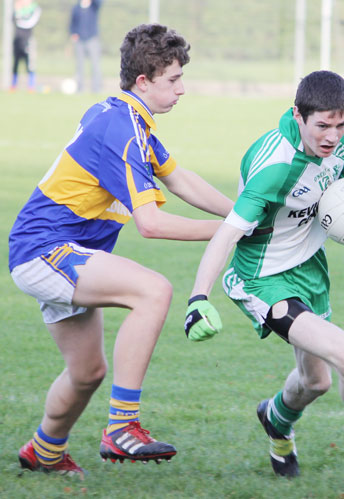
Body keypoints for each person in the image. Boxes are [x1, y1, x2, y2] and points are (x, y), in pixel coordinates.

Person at [184, 70, 344, 495]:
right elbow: (227, 233)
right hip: (262, 279)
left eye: (341, 124)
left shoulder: (341, 140)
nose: (333, 136)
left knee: (315, 381)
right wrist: (197, 298)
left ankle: (276, 419)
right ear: (297, 115)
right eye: (322, 125)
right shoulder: (273, 165)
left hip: (309, 269)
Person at [9, 23, 233, 478]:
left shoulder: (129, 121)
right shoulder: (123, 127)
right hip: (46, 249)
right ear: (143, 81)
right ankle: (122, 426)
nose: (182, 89)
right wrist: (227, 233)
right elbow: (150, 224)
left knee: (87, 372)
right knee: (153, 290)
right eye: (173, 80)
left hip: (56, 252)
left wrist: (243, 216)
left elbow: (178, 178)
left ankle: (44, 450)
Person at [69, 0, 103, 93]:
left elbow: (100, 2)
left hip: (92, 39)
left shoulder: (93, 6)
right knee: (79, 65)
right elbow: (72, 22)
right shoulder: (76, 7)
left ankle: (96, 88)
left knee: (95, 65)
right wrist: (73, 33)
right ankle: (80, 88)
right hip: (79, 40)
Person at [11, 0, 42, 92]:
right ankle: (13, 86)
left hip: (28, 40)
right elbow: (12, 20)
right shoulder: (18, 9)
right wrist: (17, 11)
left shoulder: (35, 8)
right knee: (15, 63)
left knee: (30, 64)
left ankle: (31, 86)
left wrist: (19, 15)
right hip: (17, 39)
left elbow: (30, 22)